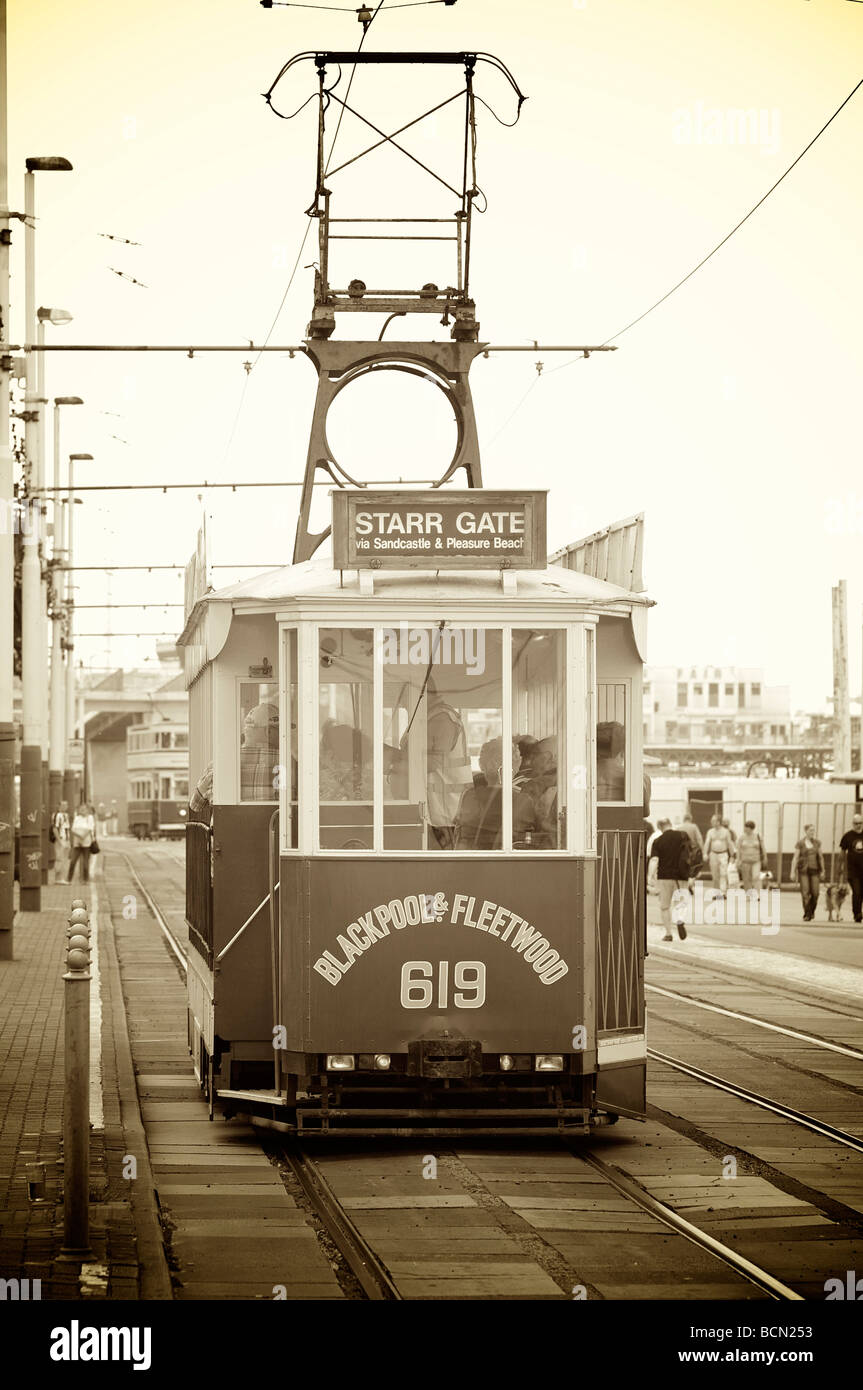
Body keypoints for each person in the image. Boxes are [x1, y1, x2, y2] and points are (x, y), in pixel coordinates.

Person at [454, 737, 536, 849]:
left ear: (482, 765)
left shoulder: (469, 796)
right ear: (514, 767)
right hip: (507, 862)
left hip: (470, 860)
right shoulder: (522, 800)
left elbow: (459, 836)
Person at [647, 818, 689, 942]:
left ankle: (668, 934)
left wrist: (650, 876)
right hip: (681, 876)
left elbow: (654, 860)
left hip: (664, 876)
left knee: (665, 906)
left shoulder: (658, 841)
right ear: (670, 824)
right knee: (680, 903)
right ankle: (680, 920)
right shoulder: (683, 836)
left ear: (660, 827)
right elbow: (691, 855)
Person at [240, 701, 279, 801]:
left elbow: (195, 805)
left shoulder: (221, 762)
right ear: (268, 731)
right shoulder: (288, 760)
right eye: (280, 729)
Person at [790, 823, 824, 922]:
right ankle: (807, 914)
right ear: (806, 831)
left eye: (813, 830)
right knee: (805, 893)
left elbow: (821, 857)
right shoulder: (800, 843)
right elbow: (795, 858)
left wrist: (823, 870)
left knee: (815, 893)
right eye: (810, 830)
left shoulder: (817, 843)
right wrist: (792, 872)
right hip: (803, 870)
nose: (812, 832)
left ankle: (811, 911)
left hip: (815, 870)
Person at [839, 812, 863, 924]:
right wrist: (841, 868)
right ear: (853, 824)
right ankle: (857, 914)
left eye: (860, 823)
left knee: (861, 893)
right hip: (853, 871)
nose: (858, 825)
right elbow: (842, 853)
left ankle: (858, 911)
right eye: (856, 823)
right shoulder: (847, 836)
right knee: (857, 892)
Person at [704, 814, 735, 896]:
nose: (711, 822)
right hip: (713, 854)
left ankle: (723, 892)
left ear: (718, 822)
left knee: (723, 874)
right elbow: (707, 843)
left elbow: (729, 843)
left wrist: (732, 855)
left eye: (713, 820)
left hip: (723, 854)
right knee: (715, 875)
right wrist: (705, 853)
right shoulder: (710, 831)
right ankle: (716, 892)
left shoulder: (726, 831)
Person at [66, 803, 96, 883]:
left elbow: (90, 829)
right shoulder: (77, 818)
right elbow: (73, 829)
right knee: (73, 862)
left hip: (86, 843)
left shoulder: (90, 818)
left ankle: (85, 880)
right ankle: (69, 879)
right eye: (81, 809)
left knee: (85, 863)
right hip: (77, 843)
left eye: (84, 809)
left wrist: (83, 836)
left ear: (87, 810)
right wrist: (79, 837)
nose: (82, 810)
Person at [737, 819, 767, 892]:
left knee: (756, 877)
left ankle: (758, 893)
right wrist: (738, 860)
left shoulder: (758, 836)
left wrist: (765, 857)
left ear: (750, 828)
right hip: (745, 861)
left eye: (746, 827)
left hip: (756, 861)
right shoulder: (741, 837)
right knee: (746, 879)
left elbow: (763, 848)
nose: (744, 829)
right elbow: (739, 850)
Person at [680, 810, 704, 881]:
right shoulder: (694, 827)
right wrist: (702, 850)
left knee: (684, 867)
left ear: (684, 819)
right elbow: (699, 839)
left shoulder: (679, 827)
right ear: (690, 819)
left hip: (682, 852)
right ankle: (691, 882)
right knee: (693, 868)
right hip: (693, 851)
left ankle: (686, 882)